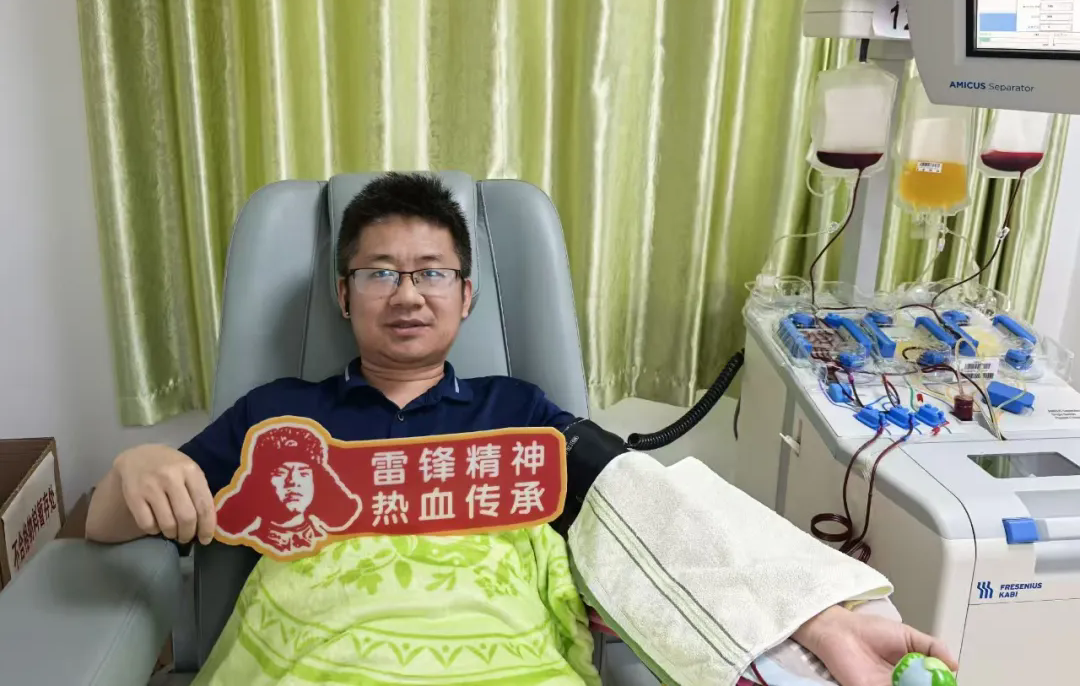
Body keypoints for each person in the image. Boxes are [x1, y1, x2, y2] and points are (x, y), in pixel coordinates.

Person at [85, 172, 956, 685]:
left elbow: (651, 516)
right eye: (380, 272)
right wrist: (134, 473)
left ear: (466, 296)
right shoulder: (278, 417)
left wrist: (815, 619)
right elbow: (117, 520)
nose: (407, 293)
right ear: (343, 295)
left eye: (431, 272)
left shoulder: (522, 414)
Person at [215, 422, 363, 555]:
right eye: (280, 473)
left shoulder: (331, 545)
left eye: (303, 473)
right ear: (260, 481)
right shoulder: (249, 546)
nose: (292, 481)